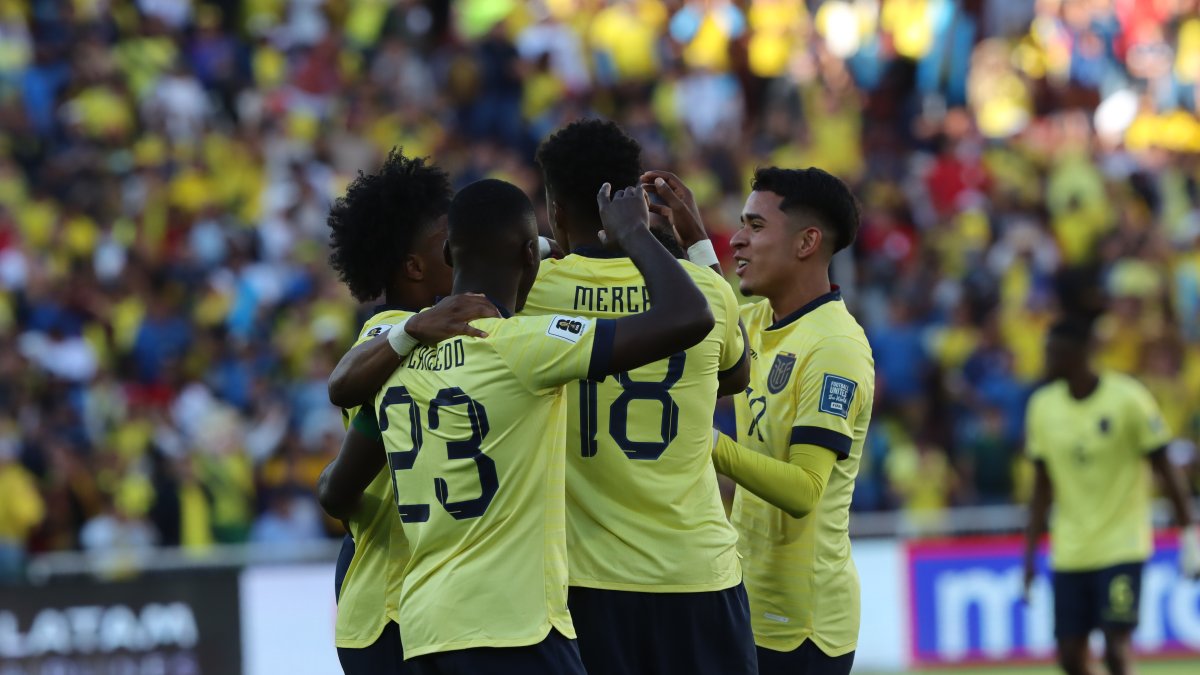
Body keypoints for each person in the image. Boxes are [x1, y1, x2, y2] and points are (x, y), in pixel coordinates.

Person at [320, 178, 715, 674]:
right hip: (460, 615)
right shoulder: (480, 342)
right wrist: (634, 234)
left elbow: (338, 485)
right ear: (421, 263)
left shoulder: (400, 352)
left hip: (421, 618)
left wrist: (568, 239)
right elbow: (691, 317)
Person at [527, 118, 756, 675]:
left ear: (556, 207)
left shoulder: (530, 293)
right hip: (700, 574)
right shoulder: (704, 291)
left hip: (588, 584)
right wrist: (700, 247)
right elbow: (736, 372)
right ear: (632, 201)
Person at [667, 166, 873, 675]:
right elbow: (713, 312)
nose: (737, 239)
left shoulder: (834, 346)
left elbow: (805, 489)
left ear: (807, 242)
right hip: (748, 600)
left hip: (803, 624)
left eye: (755, 227)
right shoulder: (760, 320)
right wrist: (693, 237)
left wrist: (706, 438)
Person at [319, 149, 456, 675]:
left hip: (426, 593)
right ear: (415, 266)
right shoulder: (388, 334)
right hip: (385, 594)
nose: (462, 250)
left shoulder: (444, 324)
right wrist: (410, 332)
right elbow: (348, 377)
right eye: (450, 245)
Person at [1022, 317, 1200, 675]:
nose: (1046, 361)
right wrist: (1029, 556)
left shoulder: (1128, 398)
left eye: (1052, 353)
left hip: (1122, 545)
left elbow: (1165, 469)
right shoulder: (1042, 406)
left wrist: (1189, 537)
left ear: (1077, 354)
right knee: (1070, 658)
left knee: (1116, 648)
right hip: (1070, 550)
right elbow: (1042, 488)